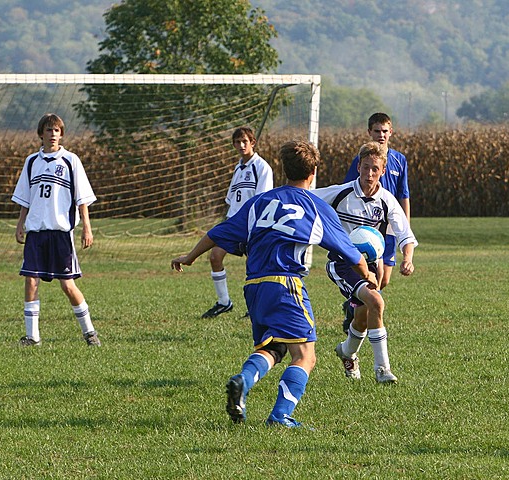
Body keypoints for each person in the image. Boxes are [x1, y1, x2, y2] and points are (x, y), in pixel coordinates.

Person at [171, 140, 376, 428]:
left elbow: (218, 232)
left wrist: (191, 256)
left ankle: (242, 380)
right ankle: (280, 416)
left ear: (283, 169)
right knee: (305, 355)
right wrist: (367, 273)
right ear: (313, 171)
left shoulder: (260, 202)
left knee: (274, 347)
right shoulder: (315, 207)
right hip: (286, 283)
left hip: (254, 286)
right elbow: (350, 252)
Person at [312, 141, 417, 384]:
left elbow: (405, 234)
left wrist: (408, 259)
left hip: (370, 268)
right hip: (341, 264)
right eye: (366, 167)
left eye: (375, 169)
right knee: (377, 302)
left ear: (382, 171)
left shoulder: (387, 201)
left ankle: (347, 352)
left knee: (363, 315)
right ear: (358, 167)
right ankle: (382, 370)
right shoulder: (341, 193)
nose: (369, 174)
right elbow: (306, 197)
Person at [11, 113, 100, 347]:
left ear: (62, 134)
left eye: (57, 131)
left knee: (68, 286)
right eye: (49, 130)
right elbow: (25, 199)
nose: (53, 135)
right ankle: (33, 337)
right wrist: (20, 224)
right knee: (30, 281)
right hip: (36, 233)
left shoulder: (71, 160)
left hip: (61, 233)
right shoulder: (32, 162)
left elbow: (82, 199)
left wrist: (87, 228)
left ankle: (90, 333)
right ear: (41, 134)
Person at [341, 112, 410, 332]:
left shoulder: (399, 160)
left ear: (391, 133)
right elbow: (349, 190)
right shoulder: (361, 160)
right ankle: (360, 308)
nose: (381, 135)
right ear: (369, 132)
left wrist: (405, 224)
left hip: (388, 224)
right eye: (377, 131)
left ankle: (355, 305)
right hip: (367, 225)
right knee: (374, 277)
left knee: (385, 279)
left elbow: (403, 194)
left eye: (385, 131)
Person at [201, 126, 273, 318]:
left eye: (245, 141)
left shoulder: (262, 167)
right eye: (237, 142)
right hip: (234, 223)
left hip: (251, 224)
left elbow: (262, 200)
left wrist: (255, 226)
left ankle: (255, 307)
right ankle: (224, 302)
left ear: (253, 143)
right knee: (215, 256)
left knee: (254, 266)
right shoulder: (238, 168)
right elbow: (231, 198)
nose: (241, 145)